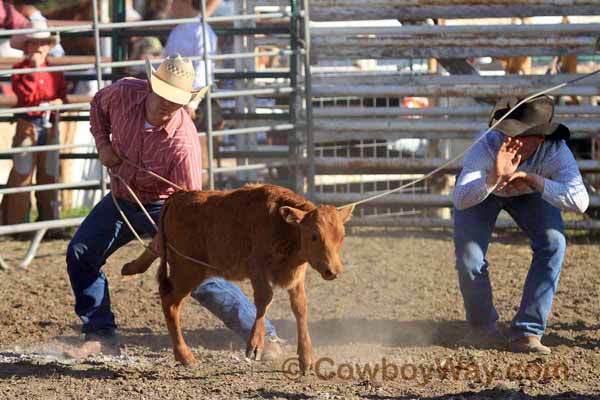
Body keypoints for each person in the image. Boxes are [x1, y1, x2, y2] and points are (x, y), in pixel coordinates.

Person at [65, 54, 281, 359]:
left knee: (198, 274)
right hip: (121, 198)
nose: (169, 105)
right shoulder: (124, 93)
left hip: (167, 209)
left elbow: (191, 204)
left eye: (177, 100)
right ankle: (100, 332)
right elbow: (98, 104)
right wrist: (103, 144)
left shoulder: (183, 143)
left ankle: (263, 333)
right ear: (151, 87)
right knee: (80, 253)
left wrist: (159, 244)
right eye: (165, 96)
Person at [453, 95, 589, 354]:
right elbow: (460, 199)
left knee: (554, 243)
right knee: (469, 257)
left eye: (518, 136)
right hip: (485, 193)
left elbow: (580, 201)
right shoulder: (486, 144)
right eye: (507, 132)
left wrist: (534, 180)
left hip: (530, 192)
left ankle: (528, 330)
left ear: (539, 140)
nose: (509, 140)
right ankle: (482, 328)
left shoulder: (556, 151)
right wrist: (495, 176)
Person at [1, 19, 67, 225]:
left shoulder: (54, 72)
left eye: (42, 43)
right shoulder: (20, 70)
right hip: (28, 123)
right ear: (26, 47)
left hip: (49, 124)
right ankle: (16, 224)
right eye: (33, 43)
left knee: (49, 173)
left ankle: (49, 222)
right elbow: (26, 95)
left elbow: (62, 96)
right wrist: (34, 69)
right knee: (22, 173)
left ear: (48, 46)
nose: (38, 47)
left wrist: (57, 102)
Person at [164, 0, 220, 187]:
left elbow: (203, 67)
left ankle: (200, 191)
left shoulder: (201, 31)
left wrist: (192, 102)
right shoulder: (179, 31)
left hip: (197, 98)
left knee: (198, 149)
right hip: (176, 95)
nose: (172, 5)